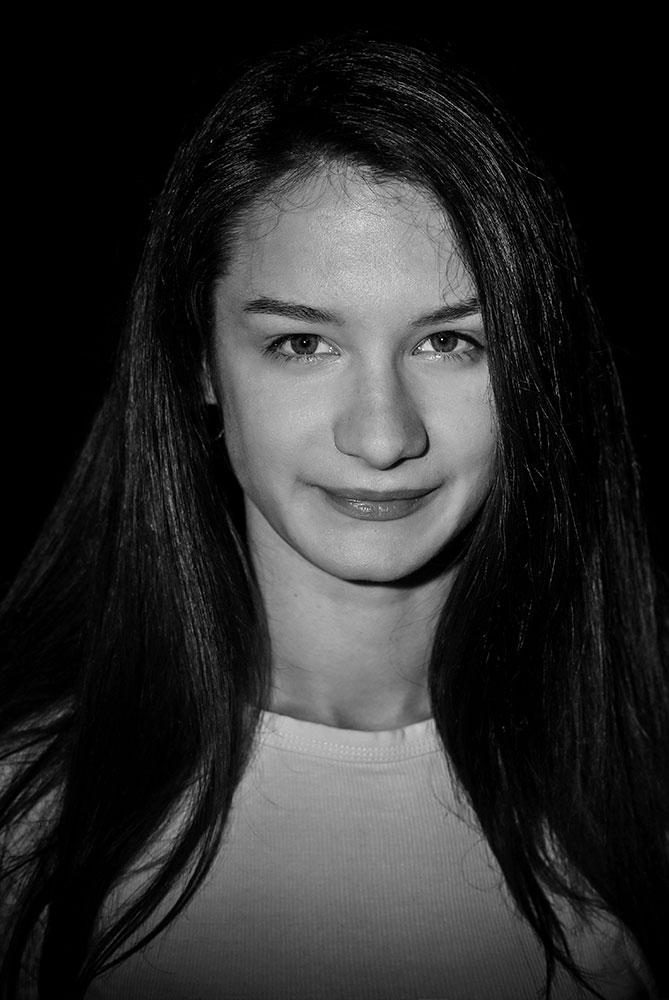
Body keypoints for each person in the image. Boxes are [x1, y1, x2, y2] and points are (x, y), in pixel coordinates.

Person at [0, 32, 666, 1000]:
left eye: (450, 342)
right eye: (303, 344)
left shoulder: (638, 806)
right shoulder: (26, 818)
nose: (383, 436)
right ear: (200, 361)